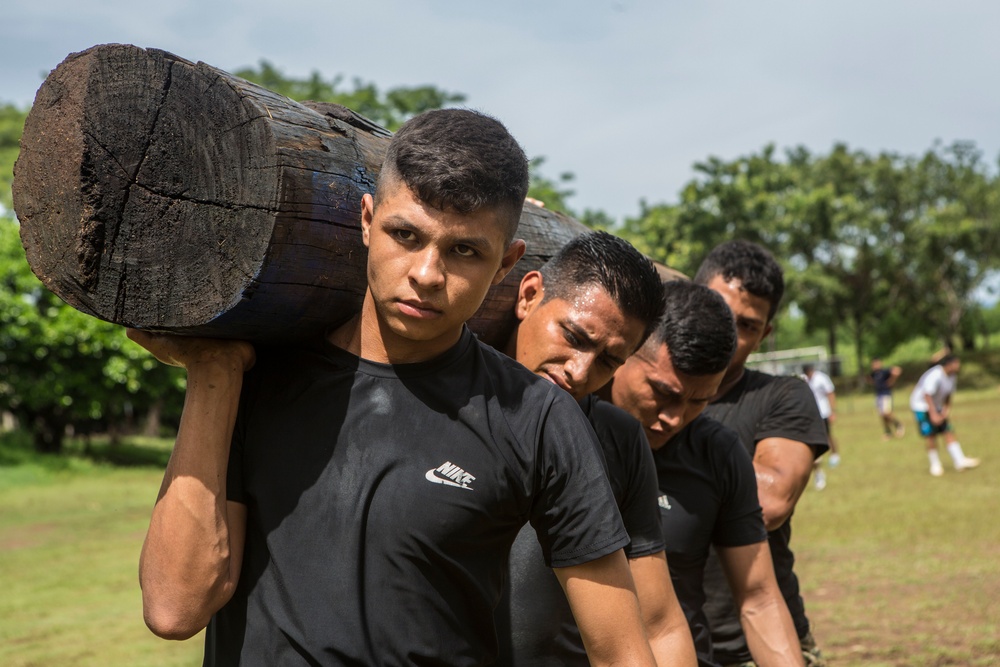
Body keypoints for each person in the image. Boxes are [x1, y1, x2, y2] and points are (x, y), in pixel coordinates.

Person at [129, 109, 656, 666]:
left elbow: (623, 652)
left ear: (506, 263)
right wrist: (214, 374)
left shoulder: (536, 416)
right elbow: (173, 608)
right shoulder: (259, 379)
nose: (427, 274)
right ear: (366, 220)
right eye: (405, 235)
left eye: (465, 251)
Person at [496, 231, 697, 666]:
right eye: (573, 335)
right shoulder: (443, 399)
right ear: (529, 295)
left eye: (608, 360)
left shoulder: (618, 439)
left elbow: (660, 622)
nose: (579, 371)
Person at [605, 279, 805, 667]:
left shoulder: (717, 451)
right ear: (626, 351)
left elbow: (759, 598)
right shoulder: (565, 427)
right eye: (663, 393)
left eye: (699, 401)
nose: (674, 419)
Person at [693, 240, 829, 667]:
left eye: (747, 325)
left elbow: (769, 504)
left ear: (765, 334)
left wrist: (675, 415)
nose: (726, 335)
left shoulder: (782, 396)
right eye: (715, 312)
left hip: (755, 648)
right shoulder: (628, 378)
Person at [909, 353, 980, 477]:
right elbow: (927, 395)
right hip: (922, 406)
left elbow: (948, 394)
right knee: (930, 434)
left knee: (948, 431)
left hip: (936, 406)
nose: (958, 366)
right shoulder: (935, 375)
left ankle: (959, 461)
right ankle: (935, 465)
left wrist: (946, 409)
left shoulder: (952, 376)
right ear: (948, 365)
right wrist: (933, 414)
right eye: (956, 363)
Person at [802, 364, 839, 490]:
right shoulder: (804, 380)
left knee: (827, 435)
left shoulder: (821, 378)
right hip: (810, 415)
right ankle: (818, 472)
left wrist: (833, 411)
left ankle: (834, 455)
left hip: (823, 412)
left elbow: (830, 393)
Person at [868, 358, 904, 440]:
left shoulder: (884, 371)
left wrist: (892, 380)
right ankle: (888, 432)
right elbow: (870, 379)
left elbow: (897, 370)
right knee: (882, 416)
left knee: (887, 413)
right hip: (878, 395)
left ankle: (898, 425)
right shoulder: (874, 374)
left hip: (886, 394)